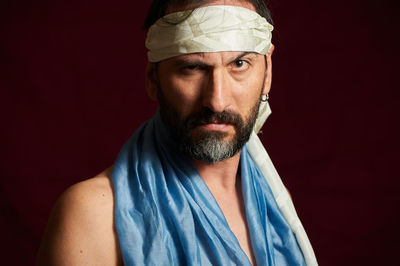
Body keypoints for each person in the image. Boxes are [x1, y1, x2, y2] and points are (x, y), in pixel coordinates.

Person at [37, 0, 318, 265]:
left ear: (267, 73)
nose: (216, 101)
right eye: (192, 67)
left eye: (239, 64)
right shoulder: (94, 216)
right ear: (152, 79)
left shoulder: (276, 205)